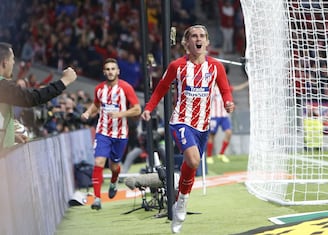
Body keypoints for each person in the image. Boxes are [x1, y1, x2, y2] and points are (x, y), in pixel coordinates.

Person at [141, 25, 234, 233]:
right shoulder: (177, 66)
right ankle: (181, 202)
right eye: (194, 36)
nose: (198, 39)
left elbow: (225, 90)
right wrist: (148, 108)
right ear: (186, 43)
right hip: (181, 122)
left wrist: (228, 103)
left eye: (202, 36)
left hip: (203, 126)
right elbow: (161, 88)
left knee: (191, 165)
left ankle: (180, 198)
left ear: (207, 42)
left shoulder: (215, 66)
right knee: (192, 160)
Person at [81, 58, 141, 210]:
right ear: (104, 72)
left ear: (118, 71)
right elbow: (96, 105)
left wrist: (121, 114)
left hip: (120, 134)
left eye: (113, 69)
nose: (110, 72)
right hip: (103, 132)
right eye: (107, 69)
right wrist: (88, 113)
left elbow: (137, 109)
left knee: (114, 166)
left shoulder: (126, 88)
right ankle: (97, 198)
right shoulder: (99, 89)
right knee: (99, 162)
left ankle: (114, 181)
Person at [0, 42, 77, 148]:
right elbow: (31, 98)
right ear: (5, 62)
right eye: (12, 59)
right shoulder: (2, 86)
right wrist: (64, 81)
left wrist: (11, 135)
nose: (14, 63)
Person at [206, 80, 248, 164]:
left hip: (224, 116)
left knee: (228, 132)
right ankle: (209, 156)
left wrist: (247, 83)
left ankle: (221, 154)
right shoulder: (211, 89)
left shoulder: (226, 89)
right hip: (214, 116)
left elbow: (237, 88)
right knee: (212, 135)